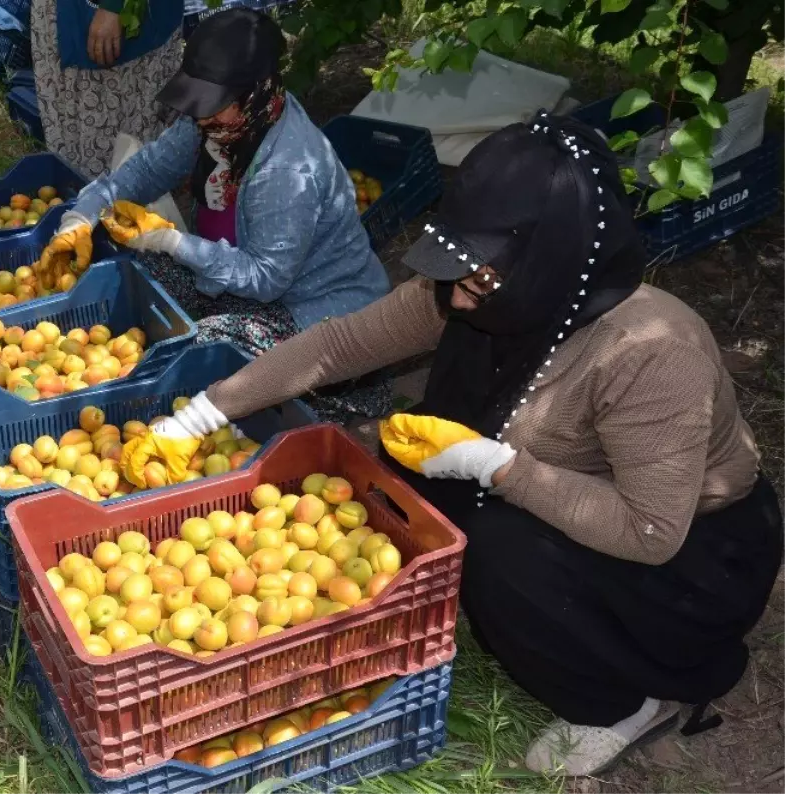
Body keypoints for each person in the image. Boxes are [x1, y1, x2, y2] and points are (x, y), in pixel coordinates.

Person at [121, 113, 783, 776]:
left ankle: (619, 702)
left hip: (687, 559)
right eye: (458, 271)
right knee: (377, 469)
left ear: (550, 260)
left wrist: (491, 465)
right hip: (534, 479)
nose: (460, 300)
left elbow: (649, 530)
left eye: (479, 279)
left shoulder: (649, 352)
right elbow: (341, 345)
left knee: (498, 553)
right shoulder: (480, 288)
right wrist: (202, 414)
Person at [39, 8, 393, 422]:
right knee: (134, 265)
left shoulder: (287, 168)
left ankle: (334, 394)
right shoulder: (220, 123)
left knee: (200, 347)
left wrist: (174, 242)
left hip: (314, 309)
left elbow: (265, 280)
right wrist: (81, 218)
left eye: (214, 106)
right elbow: (146, 171)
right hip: (239, 280)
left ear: (257, 92)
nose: (203, 116)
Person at [30, 0, 184, 179]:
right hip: (65, 14)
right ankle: (81, 197)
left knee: (121, 152)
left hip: (111, 18)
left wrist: (113, 6)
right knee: (70, 143)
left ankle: (108, 201)